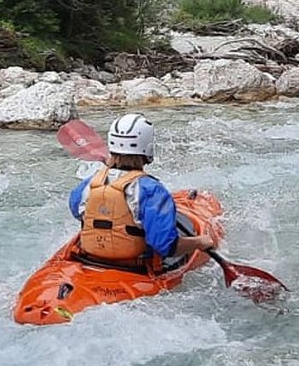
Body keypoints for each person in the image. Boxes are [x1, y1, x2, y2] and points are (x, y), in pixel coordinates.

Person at [68, 113, 218, 274]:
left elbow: (77, 211)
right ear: (148, 148)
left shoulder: (89, 184)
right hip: (136, 267)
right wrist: (199, 242)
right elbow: (166, 246)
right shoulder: (152, 191)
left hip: (91, 259)